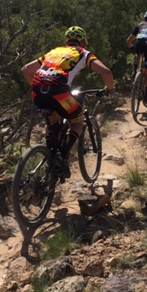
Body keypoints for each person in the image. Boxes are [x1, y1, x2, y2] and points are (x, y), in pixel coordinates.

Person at [21, 26, 115, 179]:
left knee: (53, 119)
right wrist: (110, 89)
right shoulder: (83, 54)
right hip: (59, 92)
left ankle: (50, 155)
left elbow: (26, 70)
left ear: (66, 41)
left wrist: (39, 88)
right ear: (83, 42)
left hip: (37, 92)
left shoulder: (53, 52)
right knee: (77, 121)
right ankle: (63, 153)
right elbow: (106, 72)